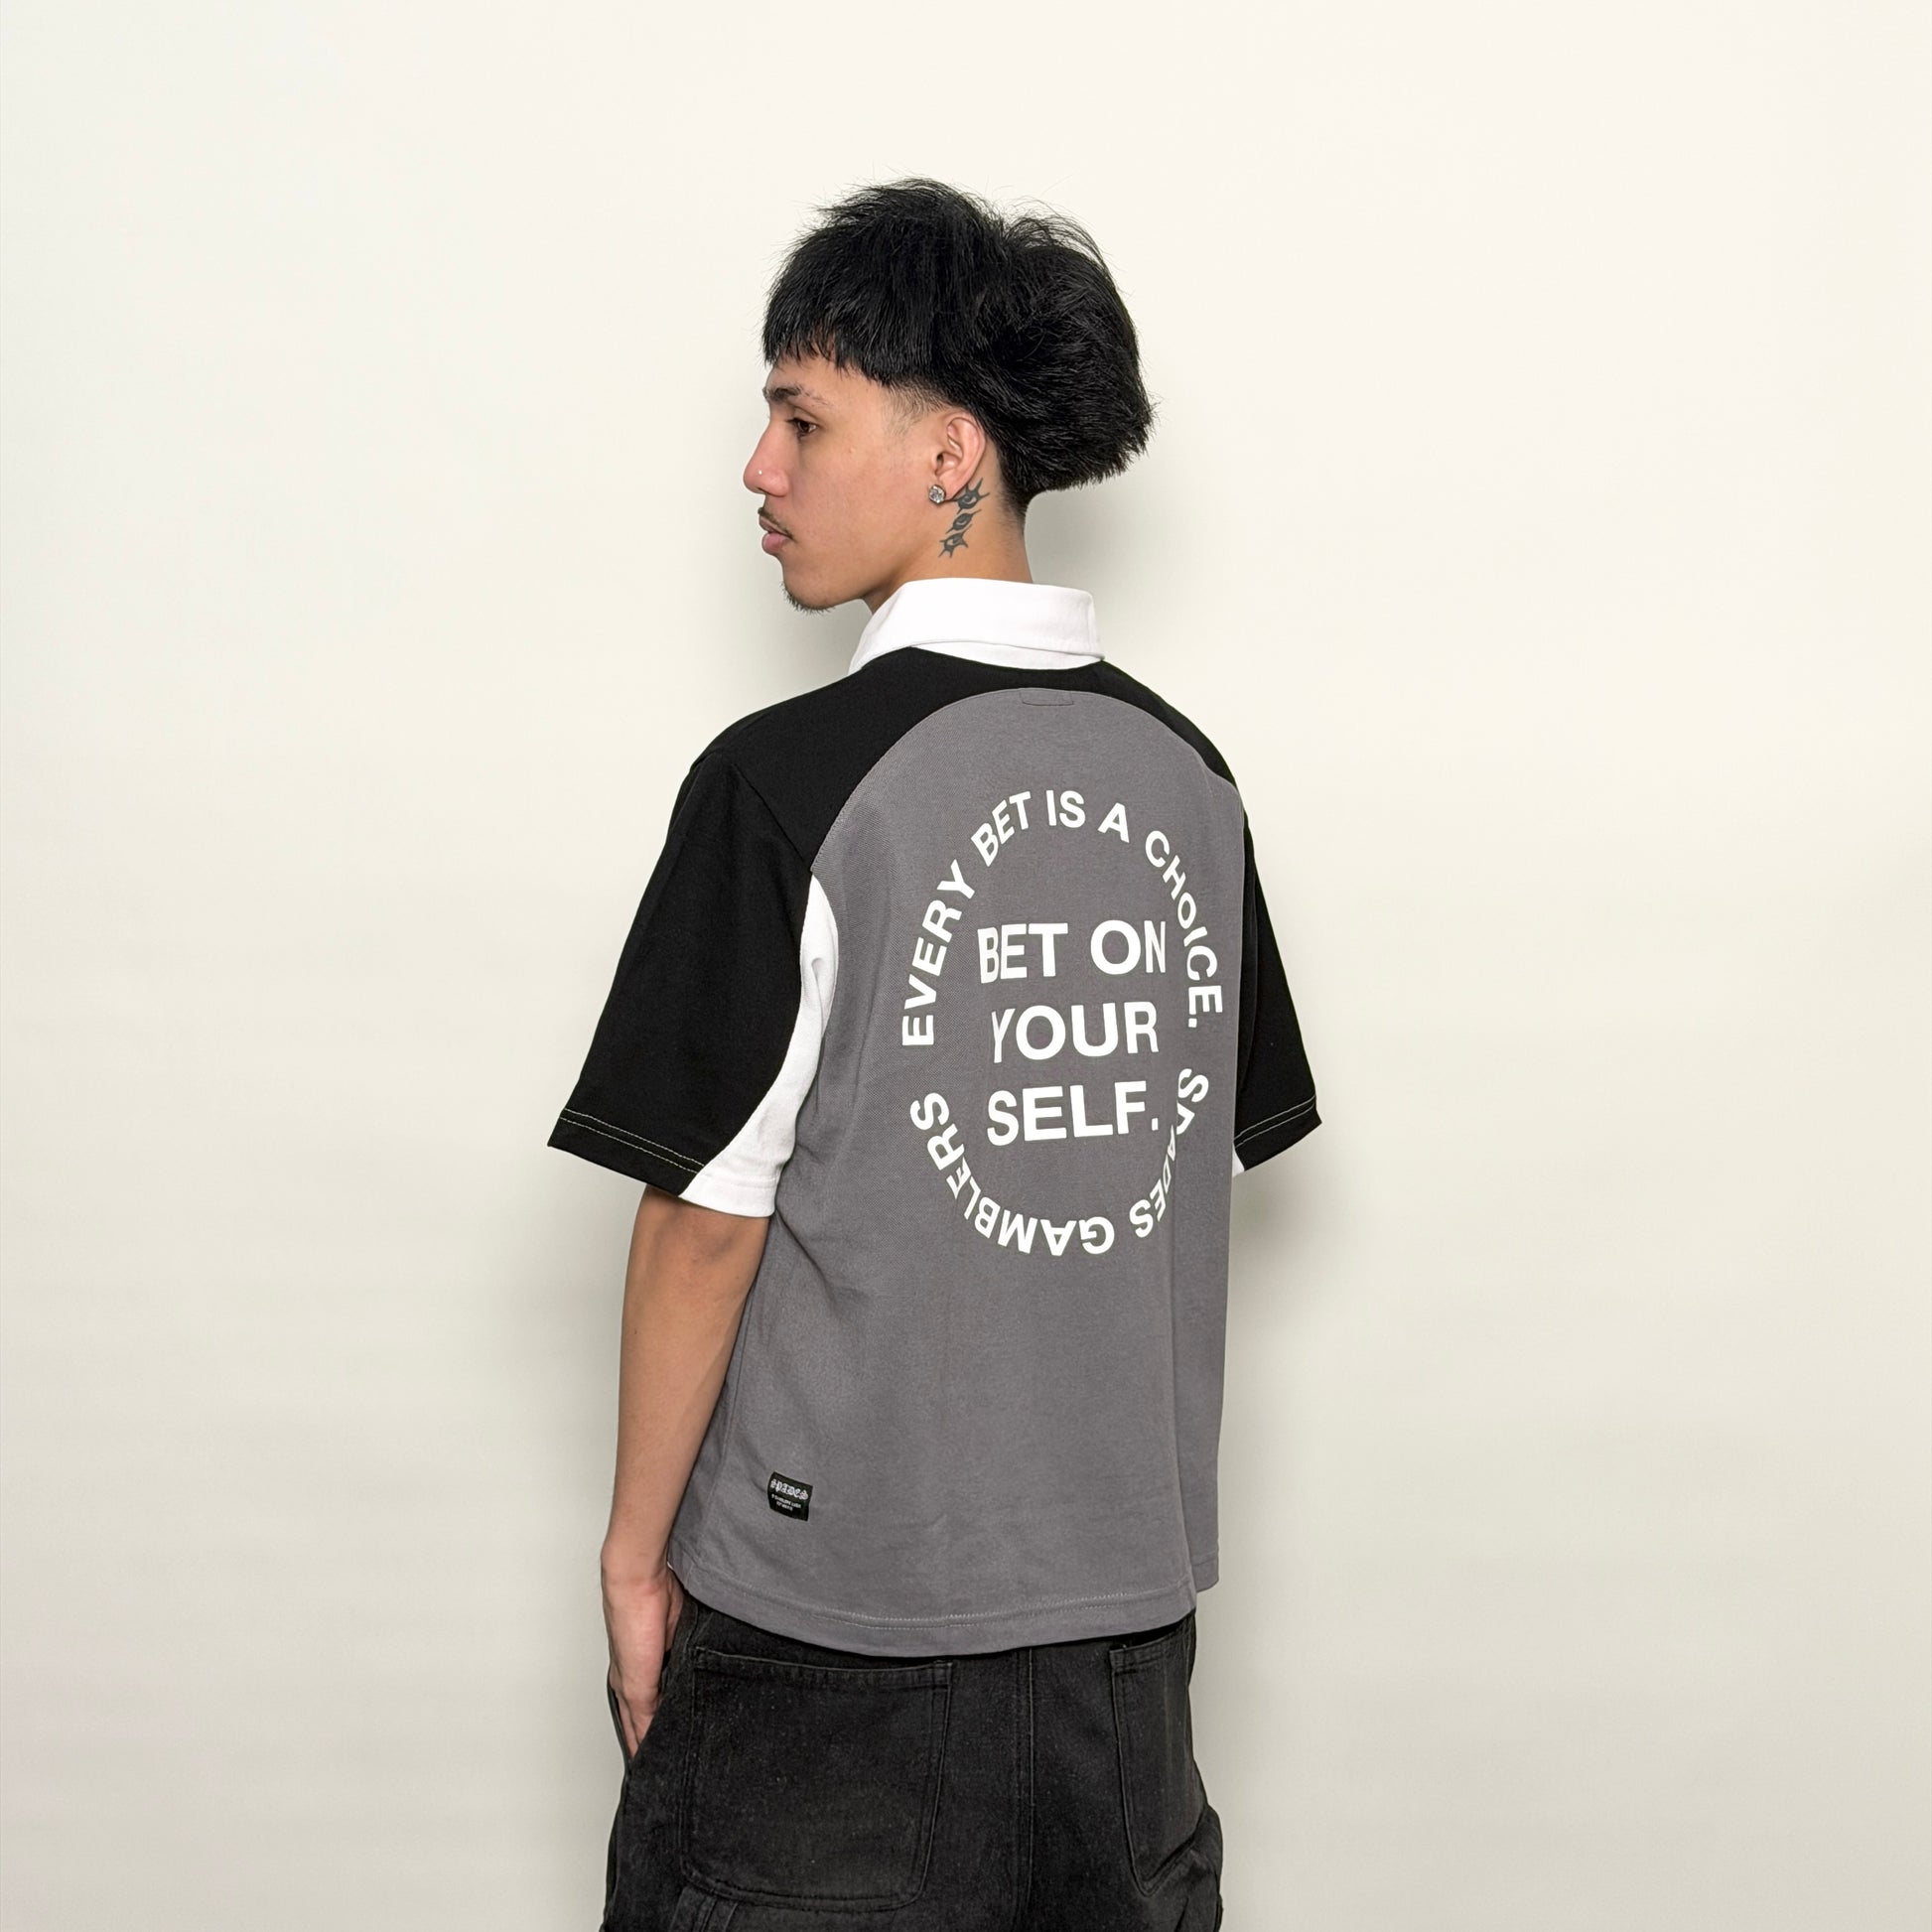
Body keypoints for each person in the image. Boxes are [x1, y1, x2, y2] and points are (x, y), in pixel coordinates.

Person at [547, 178, 1320, 1932]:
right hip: (1125, 1658)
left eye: (803, 417)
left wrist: (631, 1560)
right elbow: (1175, 1161)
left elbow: (705, 1222)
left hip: (829, 1651)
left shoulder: (783, 782)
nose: (759, 467)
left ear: (951, 451)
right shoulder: (1188, 782)